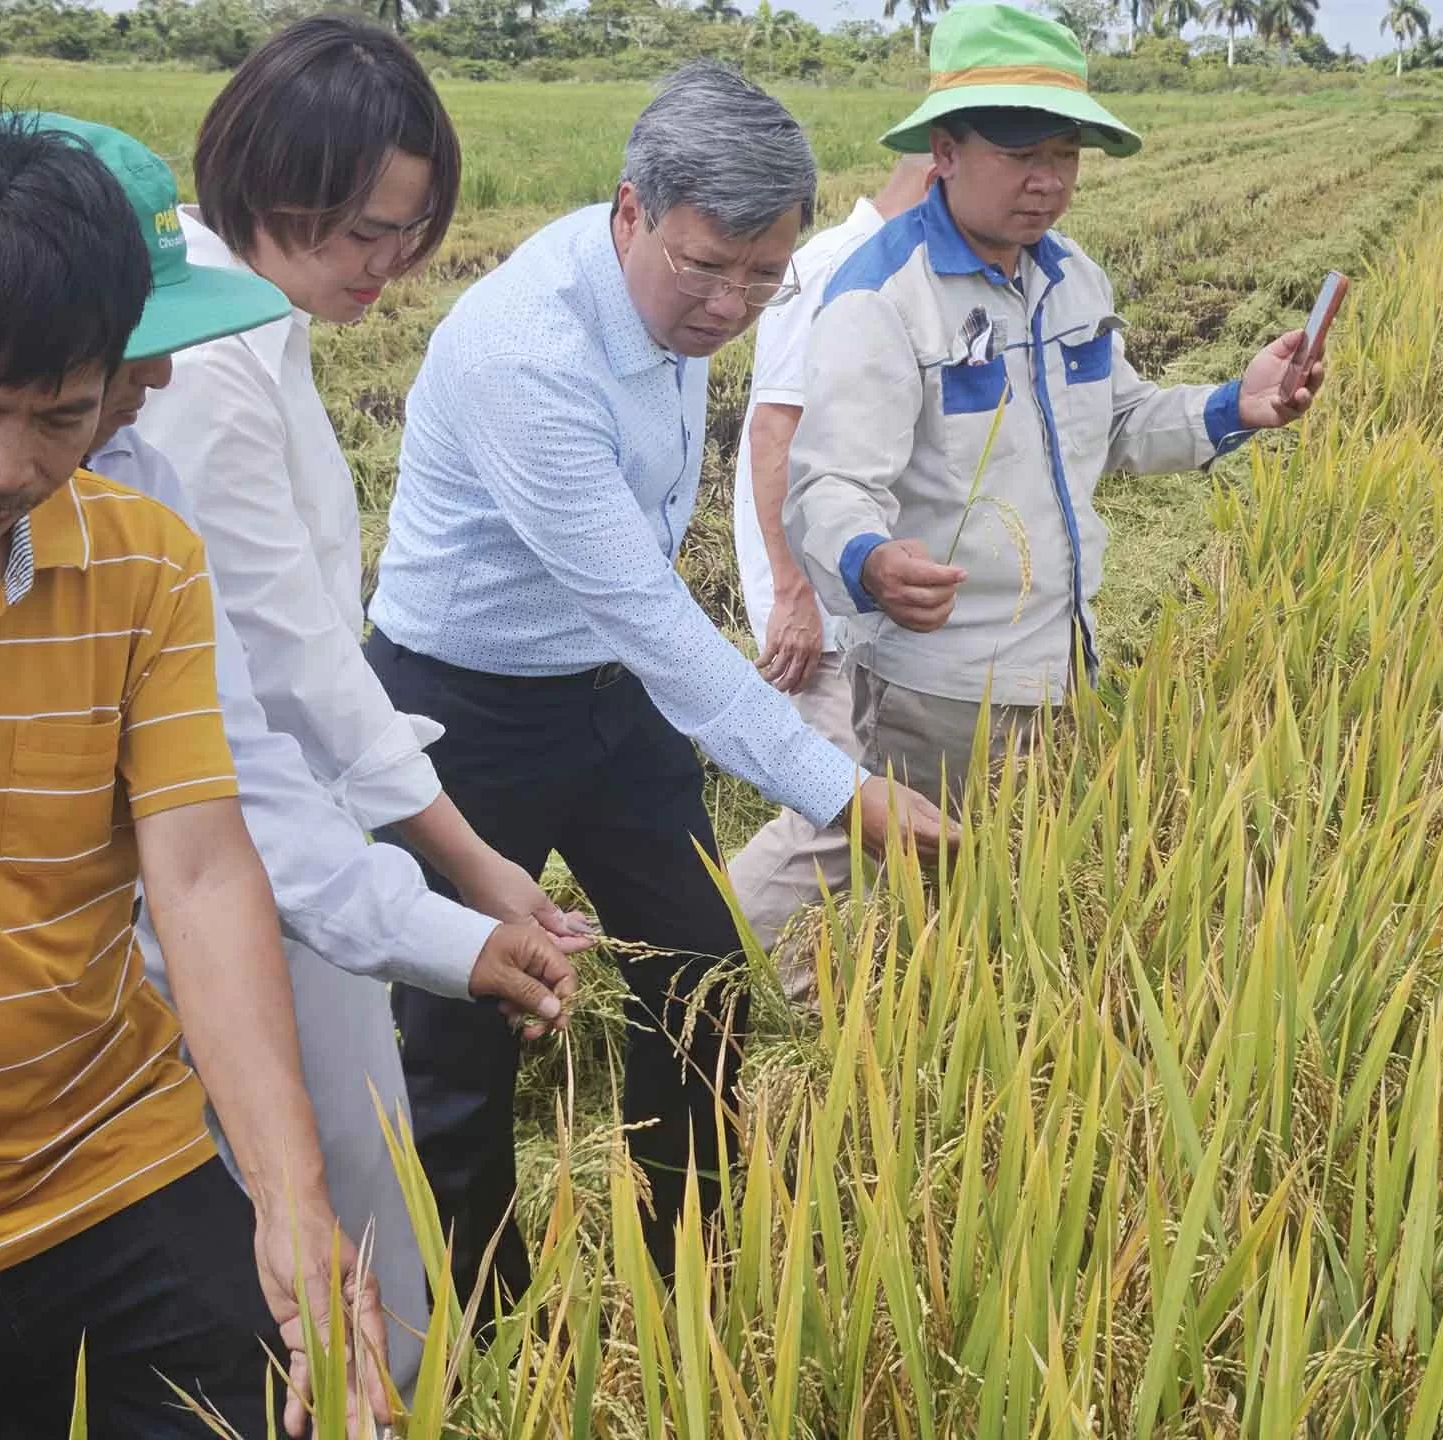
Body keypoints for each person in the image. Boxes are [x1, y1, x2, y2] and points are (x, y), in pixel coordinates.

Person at [366, 61, 955, 1290]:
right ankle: (482, 1329)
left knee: (701, 972)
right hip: (460, 710)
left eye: (763, 275)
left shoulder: (681, 295)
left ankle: (682, 1270)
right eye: (707, 267)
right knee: (459, 1035)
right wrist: (843, 791)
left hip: (605, 696)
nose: (732, 305)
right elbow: (655, 620)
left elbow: (639, 627)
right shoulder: (527, 353)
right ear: (631, 209)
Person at [34, 112, 587, 1388]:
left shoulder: (133, 506)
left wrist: (449, 928)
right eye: (367, 230)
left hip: (189, 958)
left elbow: (235, 785)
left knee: (300, 1229)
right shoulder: (170, 418)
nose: (152, 383)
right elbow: (293, 663)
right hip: (7, 1109)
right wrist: (456, 872)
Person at [0, 111, 383, 1439]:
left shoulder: (141, 559)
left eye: (60, 416)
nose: (6, 468)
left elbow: (202, 870)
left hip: (109, 1164)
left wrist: (290, 1200)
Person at [786, 3, 1326, 803]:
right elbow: (827, 485)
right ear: (946, 152)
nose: (1048, 181)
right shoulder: (883, 297)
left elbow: (1119, 423)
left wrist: (1234, 408)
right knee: (927, 875)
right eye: (1020, 155)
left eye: (1065, 155)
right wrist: (869, 561)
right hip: (940, 689)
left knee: (1035, 868)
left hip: (1065, 658)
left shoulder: (1071, 276)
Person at [726, 153, 937, 1003]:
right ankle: (693, 961)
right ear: (942, 173)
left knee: (871, 809)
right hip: (825, 607)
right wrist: (795, 596)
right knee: (838, 812)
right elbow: (774, 434)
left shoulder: (909, 270)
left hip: (872, 601)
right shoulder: (834, 268)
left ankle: (807, 993)